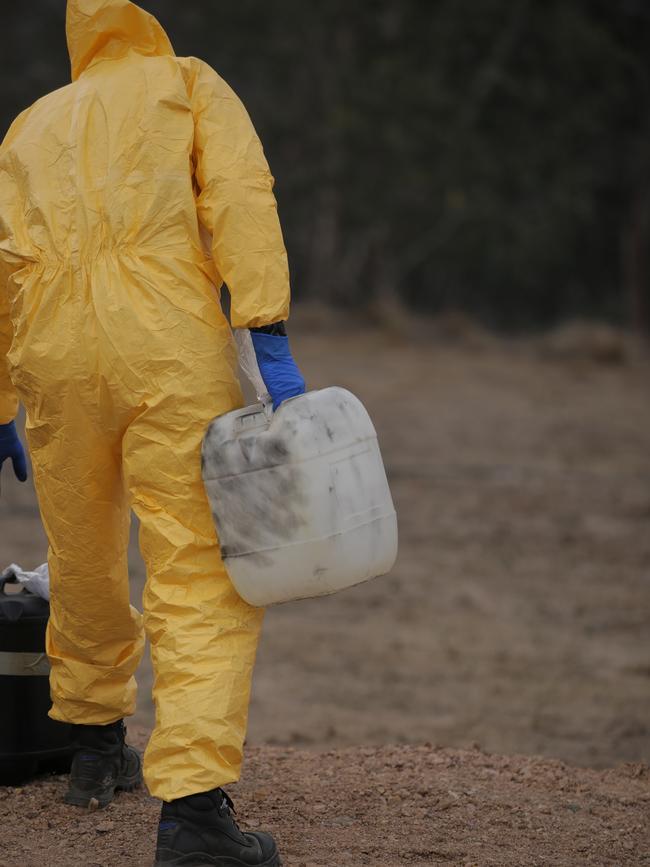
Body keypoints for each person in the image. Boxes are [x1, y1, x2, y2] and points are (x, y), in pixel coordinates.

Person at [0, 1, 305, 864]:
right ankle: (196, 814)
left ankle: (95, 748)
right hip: (169, 348)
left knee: (81, 551)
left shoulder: (31, 123)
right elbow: (242, 195)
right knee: (198, 566)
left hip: (53, 356)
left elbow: (3, 264)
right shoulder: (187, 81)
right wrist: (268, 327)